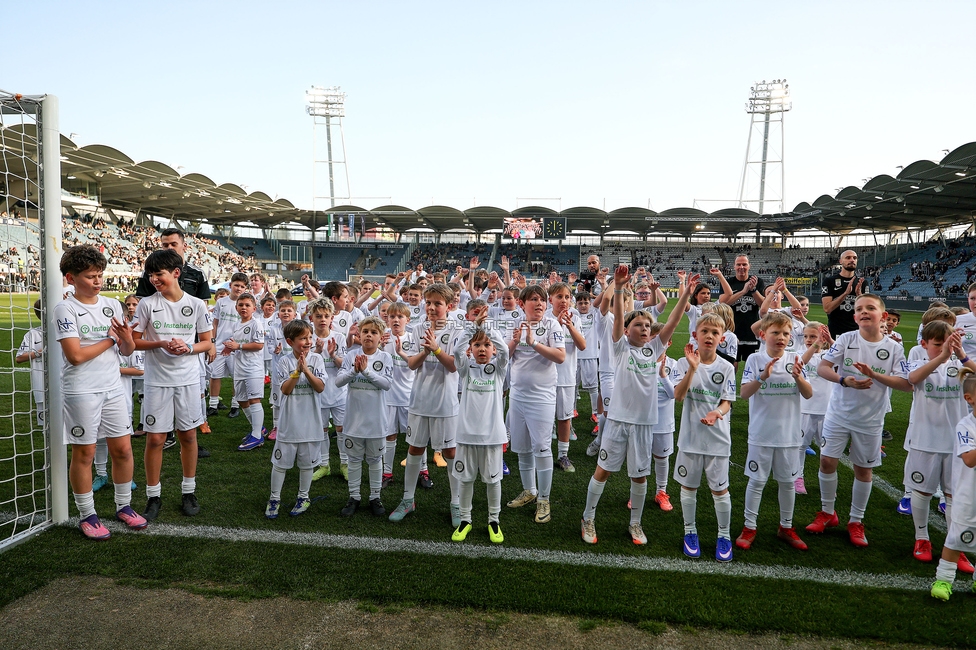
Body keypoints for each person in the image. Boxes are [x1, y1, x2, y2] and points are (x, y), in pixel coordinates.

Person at [580, 266, 692, 545]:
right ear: (627, 330)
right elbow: (617, 318)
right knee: (603, 470)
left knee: (640, 477)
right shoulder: (621, 347)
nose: (644, 329)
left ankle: (636, 524)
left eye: (647, 326)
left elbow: (673, 324)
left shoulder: (653, 349)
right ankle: (588, 517)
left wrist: (685, 294)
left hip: (645, 423)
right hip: (618, 420)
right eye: (638, 325)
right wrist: (618, 288)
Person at [54, 245, 146, 538]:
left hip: (113, 388)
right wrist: (110, 339)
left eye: (100, 275)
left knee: (123, 449)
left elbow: (127, 348)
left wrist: (125, 338)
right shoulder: (64, 308)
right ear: (71, 278)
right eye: (91, 276)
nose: (98, 281)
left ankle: (124, 506)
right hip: (81, 391)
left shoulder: (111, 304)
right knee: (85, 453)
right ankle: (87, 515)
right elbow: (75, 356)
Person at [805, 294, 911, 547]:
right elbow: (823, 367)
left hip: (871, 420)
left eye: (870, 308)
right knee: (827, 461)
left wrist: (873, 375)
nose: (864, 312)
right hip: (838, 413)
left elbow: (906, 384)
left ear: (883, 316)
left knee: (863, 470)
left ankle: (856, 520)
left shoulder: (895, 347)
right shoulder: (846, 339)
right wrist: (845, 380)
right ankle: (828, 513)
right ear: (854, 317)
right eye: (859, 309)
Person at [133, 248, 214, 520]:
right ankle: (153, 496)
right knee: (155, 438)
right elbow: (133, 341)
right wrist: (160, 342)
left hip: (189, 380)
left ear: (176, 273)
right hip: (157, 381)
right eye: (151, 274)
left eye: (160, 274)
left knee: (188, 435)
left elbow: (207, 342)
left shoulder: (197, 304)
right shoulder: (146, 304)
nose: (154, 279)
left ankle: (188, 491)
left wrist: (188, 347)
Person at [736, 312, 813, 552]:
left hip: (789, 435)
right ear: (763, 335)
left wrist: (799, 378)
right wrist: (762, 377)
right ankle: (749, 527)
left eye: (786, 334)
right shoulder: (755, 360)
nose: (781, 337)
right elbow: (744, 393)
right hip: (761, 433)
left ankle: (786, 527)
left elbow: (808, 394)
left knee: (788, 483)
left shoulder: (796, 358)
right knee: (757, 481)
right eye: (775, 333)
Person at [389, 283, 462, 525]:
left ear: (449, 306)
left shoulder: (456, 331)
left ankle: (456, 503)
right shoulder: (418, 328)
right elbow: (411, 364)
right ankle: (408, 499)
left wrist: (436, 349)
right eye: (428, 303)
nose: (431, 307)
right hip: (419, 400)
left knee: (450, 452)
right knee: (414, 449)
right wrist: (426, 351)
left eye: (437, 304)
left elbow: (453, 366)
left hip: (445, 402)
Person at [905, 322, 976, 567]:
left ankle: (956, 546)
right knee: (922, 490)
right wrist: (941, 356)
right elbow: (912, 379)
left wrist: (961, 355)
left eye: (948, 343)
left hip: (955, 444)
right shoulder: (918, 360)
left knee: (954, 495)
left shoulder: (962, 365)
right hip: (924, 439)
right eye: (938, 344)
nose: (944, 348)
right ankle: (921, 538)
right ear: (925, 344)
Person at [671, 311, 737, 561]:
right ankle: (690, 532)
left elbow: (727, 402)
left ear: (722, 339)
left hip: (718, 439)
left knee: (720, 491)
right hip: (690, 438)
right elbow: (678, 396)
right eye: (705, 331)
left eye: (715, 333)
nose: (709, 336)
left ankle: (724, 535)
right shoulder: (682, 363)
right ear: (695, 335)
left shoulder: (726, 367)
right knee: (689, 487)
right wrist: (692, 368)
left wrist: (716, 413)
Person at [505, 285, 566, 525]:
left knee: (541, 448)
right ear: (522, 304)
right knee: (522, 448)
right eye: (533, 299)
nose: (539, 303)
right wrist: (514, 342)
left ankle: (544, 498)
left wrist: (533, 343)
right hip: (518, 395)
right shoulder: (515, 325)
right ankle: (529, 490)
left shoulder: (552, 325)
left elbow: (560, 356)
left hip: (542, 398)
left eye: (542, 300)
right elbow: (503, 358)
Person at [450, 318, 510, 543]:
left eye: (486, 345)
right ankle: (466, 520)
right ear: (471, 349)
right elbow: (457, 349)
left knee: (493, 481)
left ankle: (493, 521)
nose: (482, 349)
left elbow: (504, 350)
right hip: (466, 435)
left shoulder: (498, 368)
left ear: (492, 348)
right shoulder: (466, 369)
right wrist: (473, 327)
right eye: (477, 345)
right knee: (465, 480)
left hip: (492, 436)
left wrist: (487, 329)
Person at [266, 320, 325, 519]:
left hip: (311, 422)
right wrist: (297, 371)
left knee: (307, 464)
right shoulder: (283, 361)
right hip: (289, 423)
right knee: (280, 464)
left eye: (309, 337)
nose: (308, 341)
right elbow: (286, 390)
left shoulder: (317, 359)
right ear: (290, 341)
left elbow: (320, 387)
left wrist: (306, 370)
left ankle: (303, 497)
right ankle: (274, 498)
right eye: (302, 338)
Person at [335, 317, 393, 516]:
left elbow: (386, 384)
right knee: (353, 459)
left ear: (380, 337)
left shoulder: (386, 358)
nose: (369, 335)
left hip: (376, 420)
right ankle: (354, 497)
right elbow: (338, 382)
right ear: (359, 334)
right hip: (353, 420)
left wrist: (366, 371)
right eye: (365, 331)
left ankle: (375, 497)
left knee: (375, 459)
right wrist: (354, 370)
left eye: (374, 332)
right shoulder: (351, 355)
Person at [931, 368, 976, 601]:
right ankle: (944, 580)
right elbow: (969, 459)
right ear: (970, 399)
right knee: (956, 538)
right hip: (969, 495)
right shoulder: (965, 426)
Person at [549, 282, 585, 473]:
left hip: (567, 377)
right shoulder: (544, 318)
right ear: (550, 300)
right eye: (559, 297)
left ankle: (563, 455)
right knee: (546, 418)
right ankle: (544, 453)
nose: (563, 301)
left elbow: (582, 346)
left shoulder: (575, 319)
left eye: (567, 297)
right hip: (545, 378)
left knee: (564, 418)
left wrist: (570, 326)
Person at [226, 293, 268, 451]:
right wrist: (229, 346)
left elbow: (259, 345)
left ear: (254, 308)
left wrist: (239, 347)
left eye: (247, 305)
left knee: (254, 399)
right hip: (239, 367)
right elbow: (236, 343)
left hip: (253, 367)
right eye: (241, 305)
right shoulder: (236, 324)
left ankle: (257, 436)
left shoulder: (256, 324)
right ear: (236, 307)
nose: (244, 307)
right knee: (241, 399)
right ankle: (258, 428)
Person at [796, 322, 833, 494]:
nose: (809, 340)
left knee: (827, 449)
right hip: (804, 409)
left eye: (813, 336)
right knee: (800, 446)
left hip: (827, 410)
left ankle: (825, 480)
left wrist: (831, 341)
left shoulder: (829, 355)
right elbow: (801, 363)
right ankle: (798, 477)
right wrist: (815, 345)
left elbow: (846, 360)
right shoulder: (798, 354)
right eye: (806, 336)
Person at [382, 302, 416, 487]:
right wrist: (378, 347)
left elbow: (416, 364)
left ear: (407, 320)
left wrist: (400, 352)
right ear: (387, 319)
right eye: (392, 316)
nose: (395, 320)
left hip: (409, 396)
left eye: (400, 316)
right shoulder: (383, 339)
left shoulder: (413, 338)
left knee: (415, 437)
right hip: (388, 396)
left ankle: (423, 471)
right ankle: (387, 473)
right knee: (389, 435)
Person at [208, 273, 248, 418]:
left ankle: (235, 405)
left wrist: (236, 343)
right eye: (236, 285)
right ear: (230, 285)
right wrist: (212, 341)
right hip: (219, 344)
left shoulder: (246, 304)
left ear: (245, 289)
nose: (238, 288)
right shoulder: (221, 302)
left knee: (236, 377)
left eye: (242, 286)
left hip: (236, 347)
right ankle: (213, 405)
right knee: (215, 375)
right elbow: (215, 322)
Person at [717, 255, 766, 362]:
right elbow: (723, 303)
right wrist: (743, 292)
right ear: (734, 266)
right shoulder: (728, 282)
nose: (741, 267)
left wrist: (753, 290)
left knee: (755, 365)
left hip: (753, 332)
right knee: (731, 365)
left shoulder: (758, 282)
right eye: (738, 264)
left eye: (744, 264)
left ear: (749, 266)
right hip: (732, 331)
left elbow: (763, 305)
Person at [14, 299, 44, 426]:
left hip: (66, 386)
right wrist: (39, 352)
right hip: (41, 386)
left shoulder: (65, 331)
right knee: (46, 427)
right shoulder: (33, 334)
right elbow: (19, 358)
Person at [820, 250, 862, 338]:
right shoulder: (829, 281)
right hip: (836, 331)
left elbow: (867, 310)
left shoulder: (862, 282)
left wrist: (859, 295)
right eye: (848, 258)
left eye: (854, 258)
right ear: (840, 261)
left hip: (857, 331)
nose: (852, 260)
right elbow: (827, 309)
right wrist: (845, 294)